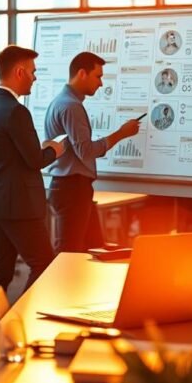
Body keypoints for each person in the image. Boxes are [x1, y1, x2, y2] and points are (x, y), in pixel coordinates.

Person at [0, 45, 66, 341]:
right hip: (19, 206)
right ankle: (17, 325)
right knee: (44, 264)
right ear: (19, 72)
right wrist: (55, 149)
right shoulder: (16, 111)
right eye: (33, 72)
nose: (35, 78)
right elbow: (34, 160)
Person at [44, 52, 140, 253]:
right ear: (82, 74)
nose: (101, 83)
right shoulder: (71, 106)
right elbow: (86, 151)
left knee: (91, 247)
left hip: (72, 187)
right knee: (69, 252)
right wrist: (121, 134)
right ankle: (59, 285)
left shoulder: (63, 102)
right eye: (98, 76)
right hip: (72, 188)